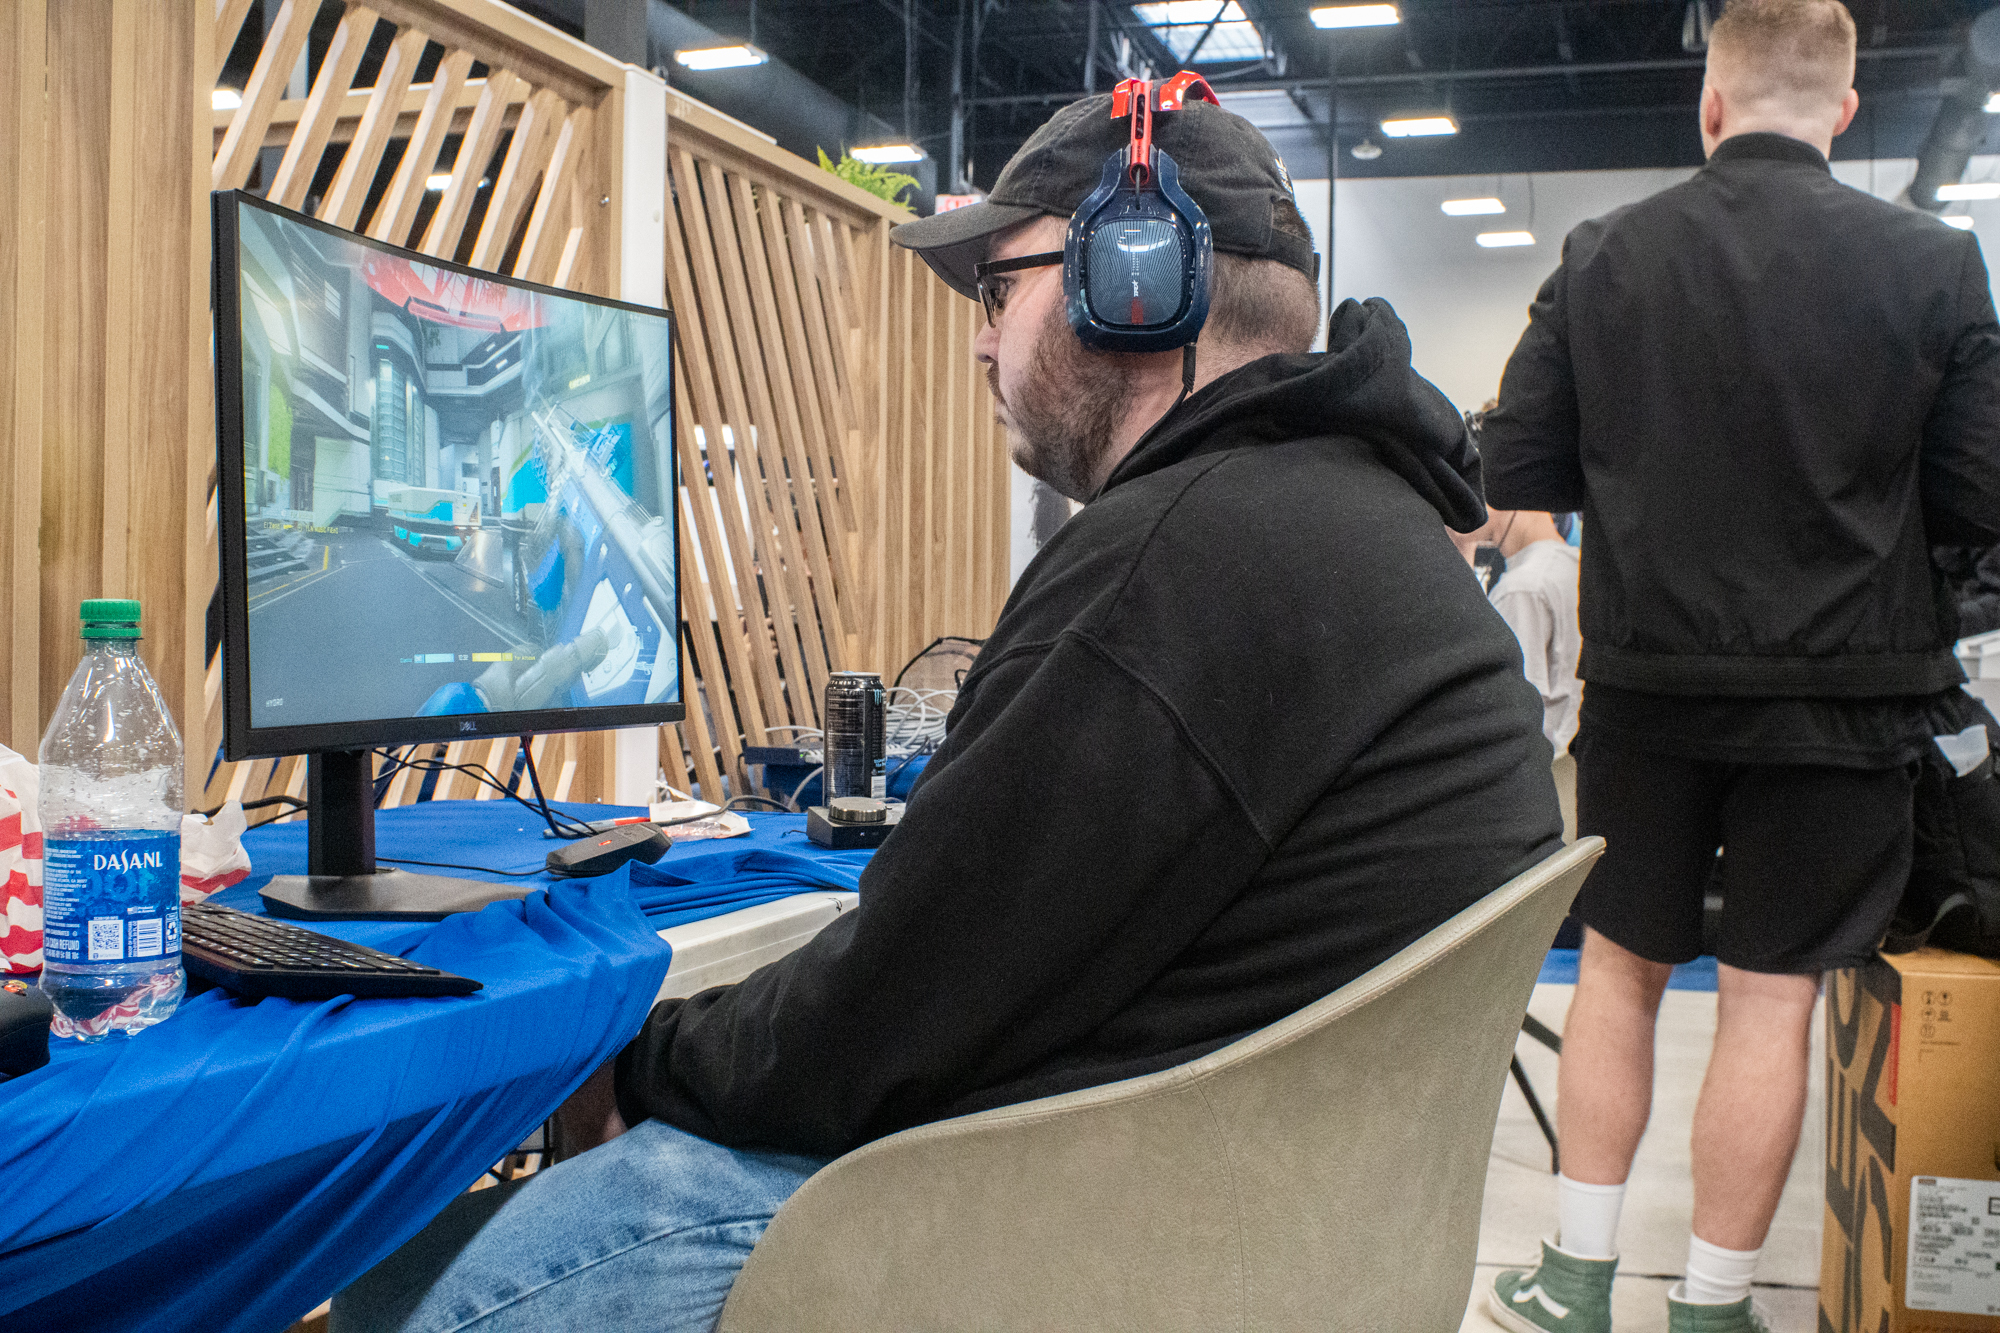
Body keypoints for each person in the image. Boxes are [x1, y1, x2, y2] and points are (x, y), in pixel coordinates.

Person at [332, 88, 1561, 1333]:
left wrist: (634, 1068)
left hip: (1105, 1246)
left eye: (996, 289)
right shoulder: (1358, 526)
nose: (979, 344)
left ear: (1125, 280)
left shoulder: (1181, 555)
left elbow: (888, 1015)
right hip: (1269, 1231)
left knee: (472, 1260)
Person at [1476, 3, 2000, 1331]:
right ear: (1845, 106)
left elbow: (1514, 468)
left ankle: (1578, 1285)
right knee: (1769, 1001)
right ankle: (1712, 1307)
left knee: (1620, 971)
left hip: (1650, 690)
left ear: (1709, 107)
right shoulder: (1939, 265)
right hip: (1847, 699)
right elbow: (1981, 494)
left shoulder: (1603, 256)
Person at [1451, 506, 1583, 837]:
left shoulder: (1522, 588)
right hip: (1572, 771)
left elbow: (1507, 705)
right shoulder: (1574, 563)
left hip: (1538, 784)